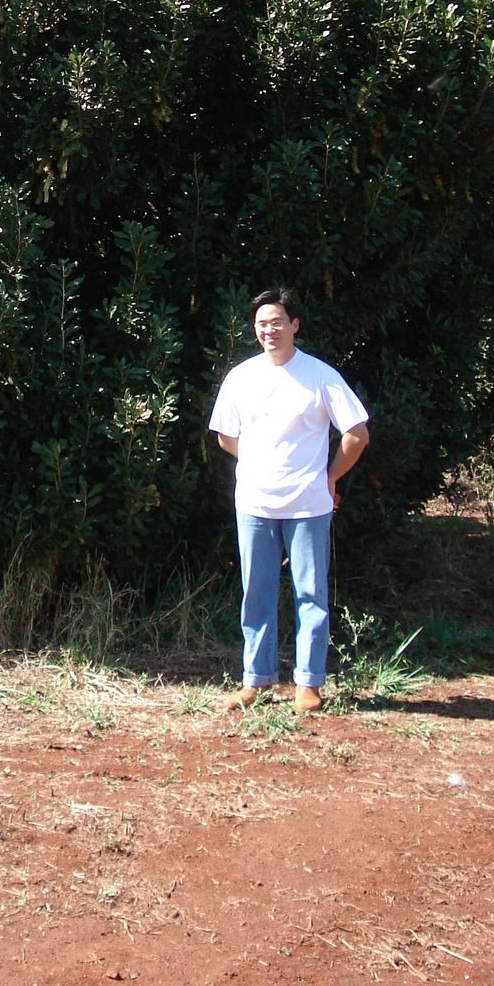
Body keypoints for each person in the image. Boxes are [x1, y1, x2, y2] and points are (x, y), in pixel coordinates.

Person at [208, 287, 369, 714]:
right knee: (256, 593)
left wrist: (328, 477)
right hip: (254, 504)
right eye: (262, 323)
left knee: (310, 594)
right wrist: (264, 463)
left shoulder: (320, 376)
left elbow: (357, 434)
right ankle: (255, 681)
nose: (269, 330)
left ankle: (308, 684)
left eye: (277, 321)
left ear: (294, 324)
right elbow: (226, 436)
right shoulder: (241, 377)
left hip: (308, 506)